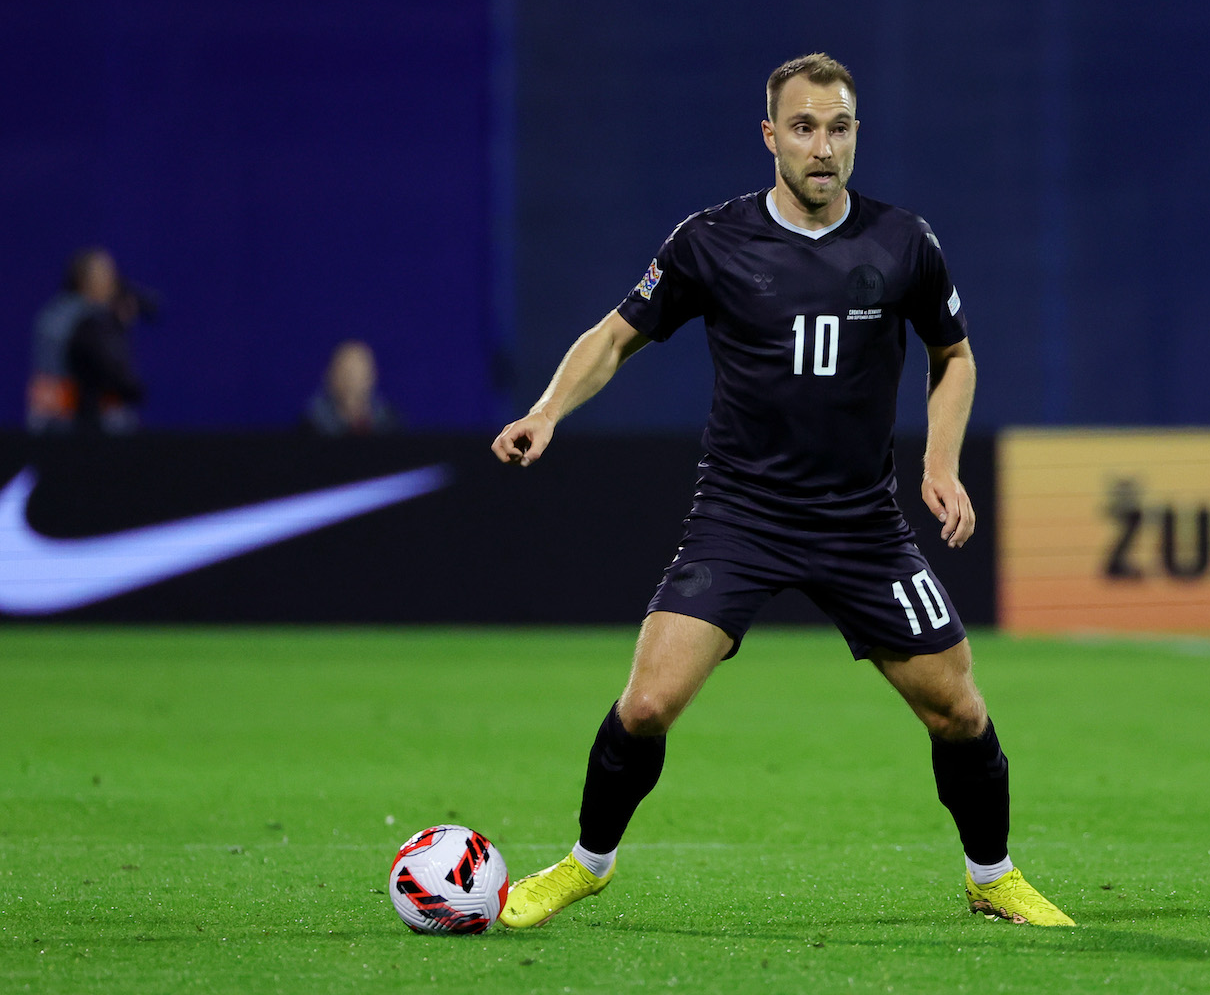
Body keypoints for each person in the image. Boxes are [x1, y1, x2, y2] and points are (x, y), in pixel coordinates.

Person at [491, 53, 1074, 928]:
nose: (822, 147)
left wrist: (941, 464)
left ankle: (991, 877)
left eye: (839, 128)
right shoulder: (709, 242)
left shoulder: (904, 242)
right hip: (742, 515)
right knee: (647, 702)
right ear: (771, 136)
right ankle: (586, 863)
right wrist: (546, 411)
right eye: (803, 127)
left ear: (855, 136)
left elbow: (954, 356)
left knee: (958, 708)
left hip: (860, 522)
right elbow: (615, 337)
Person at [29, 247, 144, 434]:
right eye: (105, 273)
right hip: (75, 426)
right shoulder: (85, 322)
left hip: (56, 423)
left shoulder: (54, 313)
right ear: (84, 279)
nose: (112, 281)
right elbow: (116, 376)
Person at [303, 339, 402, 436]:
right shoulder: (310, 429)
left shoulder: (391, 426)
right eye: (347, 373)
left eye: (361, 372)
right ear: (331, 376)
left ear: (373, 376)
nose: (353, 381)